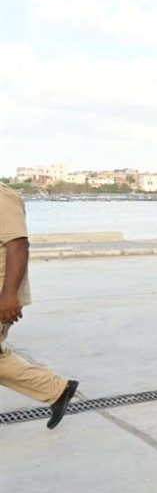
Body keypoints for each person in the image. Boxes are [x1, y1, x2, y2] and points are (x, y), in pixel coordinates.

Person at [0, 183, 77, 428]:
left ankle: (56, 390)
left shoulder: (3, 198)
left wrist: (9, 296)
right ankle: (56, 390)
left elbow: (18, 246)